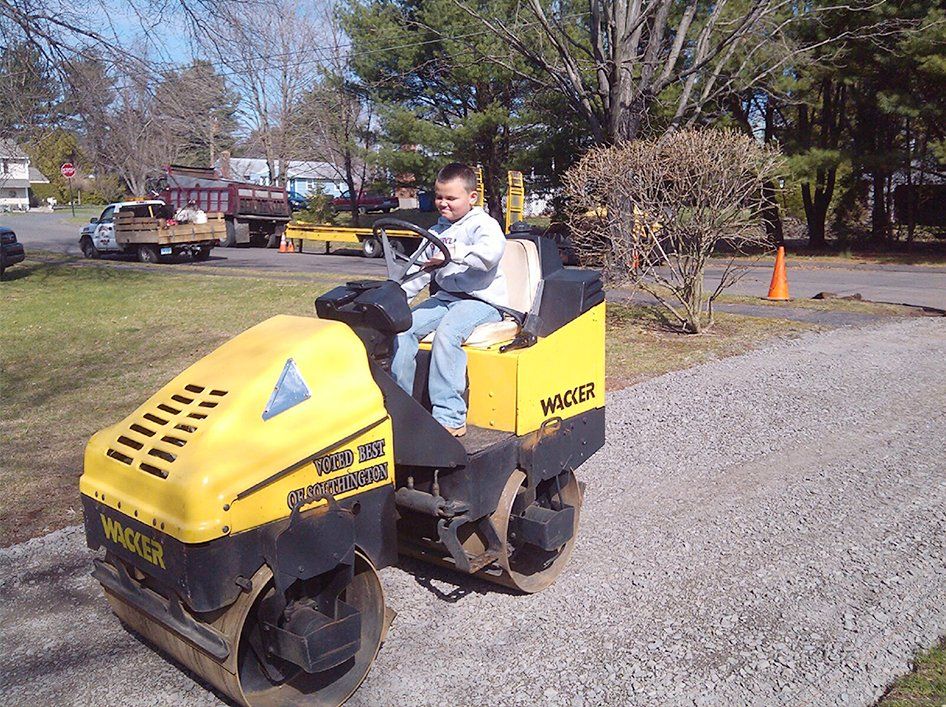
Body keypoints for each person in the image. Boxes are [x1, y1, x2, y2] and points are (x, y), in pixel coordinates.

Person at [392, 163, 508, 437]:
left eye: (451, 198)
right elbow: (418, 272)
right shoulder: (436, 230)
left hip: (482, 303)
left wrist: (452, 252)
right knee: (403, 328)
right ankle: (402, 408)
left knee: (448, 333)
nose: (443, 203)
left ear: (472, 197)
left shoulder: (484, 225)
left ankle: (450, 416)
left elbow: (489, 255)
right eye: (439, 197)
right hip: (445, 298)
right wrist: (395, 300)